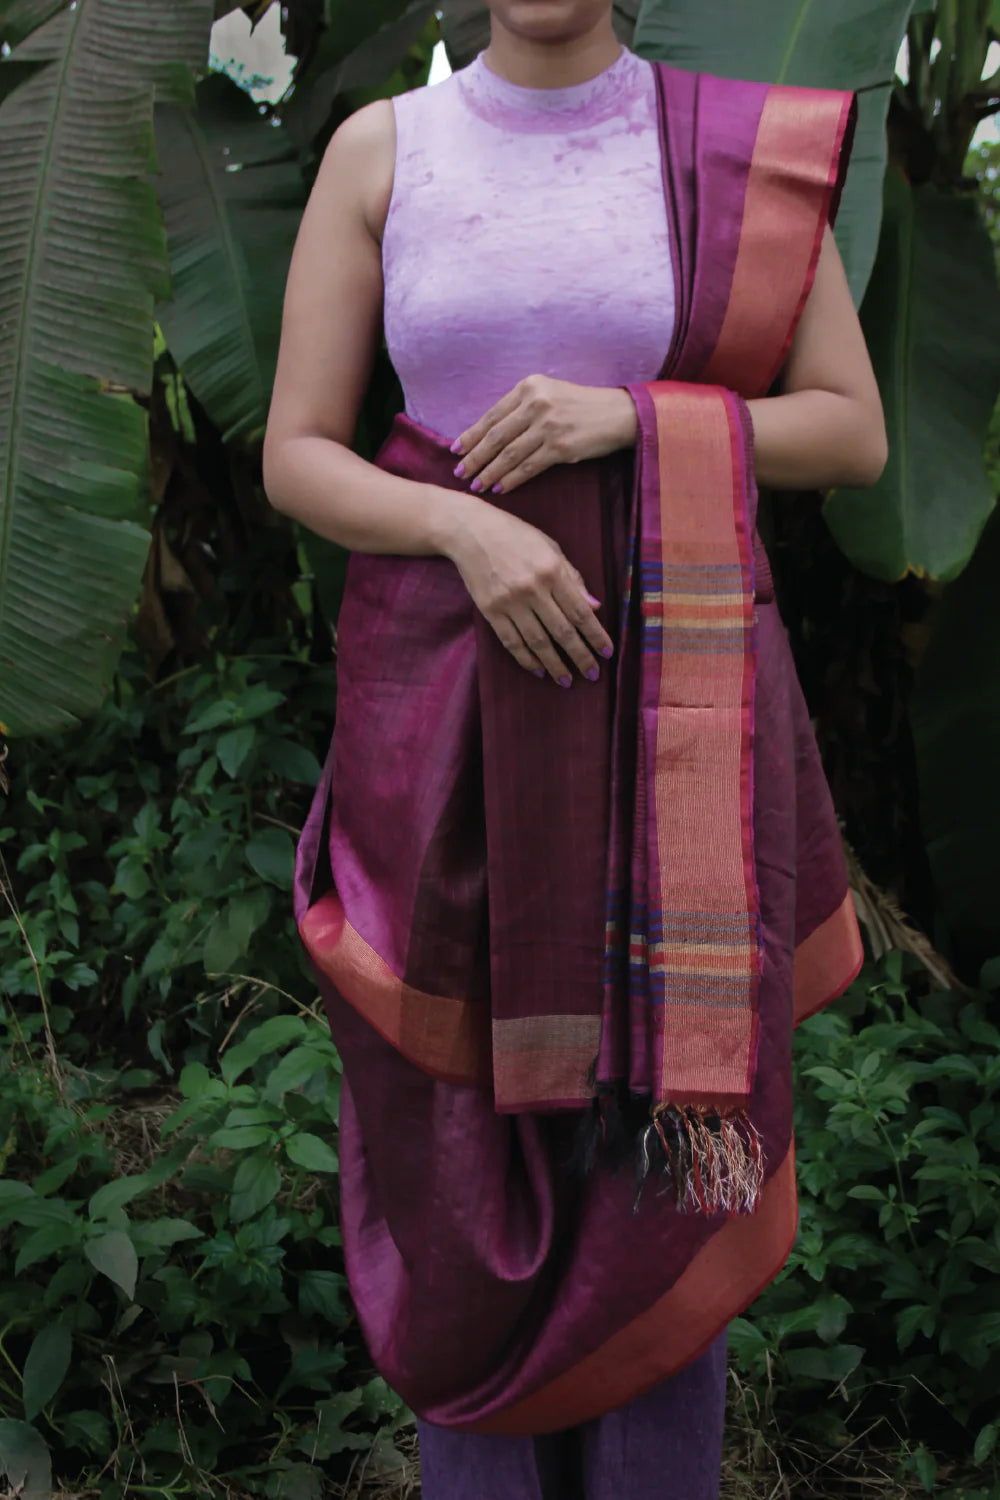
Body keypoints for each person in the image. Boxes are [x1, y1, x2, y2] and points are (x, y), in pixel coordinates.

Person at [262, 1, 887, 1494]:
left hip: (674, 726)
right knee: (457, 1134)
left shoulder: (729, 155)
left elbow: (852, 433)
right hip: (442, 730)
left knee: (663, 1121)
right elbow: (297, 452)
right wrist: (464, 529)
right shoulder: (382, 151)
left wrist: (628, 418)